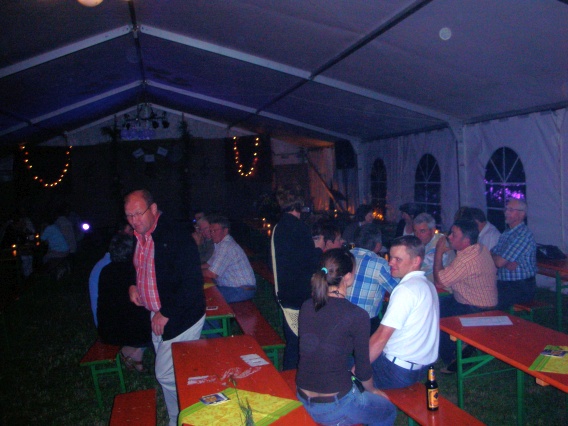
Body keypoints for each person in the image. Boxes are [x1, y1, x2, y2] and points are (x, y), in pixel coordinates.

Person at [125, 189, 205, 426]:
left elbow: (192, 284)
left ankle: (189, 413)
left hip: (181, 315)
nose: (133, 220)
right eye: (129, 216)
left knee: (166, 373)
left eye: (138, 214)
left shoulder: (176, 236)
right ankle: (176, 418)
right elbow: (137, 266)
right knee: (174, 371)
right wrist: (133, 285)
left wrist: (166, 312)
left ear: (153, 209)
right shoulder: (139, 234)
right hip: (158, 313)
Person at [296, 248, 396, 426]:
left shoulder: (307, 306)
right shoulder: (357, 315)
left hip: (303, 397)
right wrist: (373, 390)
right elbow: (363, 369)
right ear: (348, 277)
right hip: (335, 405)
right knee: (388, 411)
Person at [369, 236, 439, 389]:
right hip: (421, 370)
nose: (390, 263)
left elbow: (381, 337)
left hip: (395, 371)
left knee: (342, 368)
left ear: (416, 261)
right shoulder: (428, 285)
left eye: (397, 259)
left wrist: (357, 370)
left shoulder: (406, 289)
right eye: (391, 257)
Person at [433, 219, 497, 373]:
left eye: (454, 235)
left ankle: (453, 359)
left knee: (436, 317)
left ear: (466, 241)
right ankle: (462, 346)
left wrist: (438, 252)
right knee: (434, 305)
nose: (449, 237)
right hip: (474, 301)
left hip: (475, 308)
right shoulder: (479, 247)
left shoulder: (466, 260)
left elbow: (439, 281)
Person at [272, 189, 324, 370]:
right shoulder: (300, 228)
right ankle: (300, 376)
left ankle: (288, 377)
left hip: (285, 290)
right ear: (300, 206)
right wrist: (318, 249)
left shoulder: (279, 227)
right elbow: (309, 263)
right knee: (301, 343)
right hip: (300, 294)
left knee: (293, 342)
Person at [97, 232, 151, 373]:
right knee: (161, 328)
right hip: (126, 329)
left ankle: (135, 357)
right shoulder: (134, 271)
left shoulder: (106, 270)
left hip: (108, 329)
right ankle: (129, 352)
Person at [346, 223, 398, 334]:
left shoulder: (343, 256)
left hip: (339, 319)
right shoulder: (380, 264)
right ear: (378, 245)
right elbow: (398, 290)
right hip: (365, 324)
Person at [491, 198, 537, 310]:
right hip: (506, 283)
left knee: (488, 305)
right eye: (506, 209)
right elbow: (491, 253)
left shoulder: (523, 235)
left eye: (511, 210)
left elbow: (498, 262)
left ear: (522, 214)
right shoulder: (507, 232)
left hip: (520, 286)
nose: (506, 212)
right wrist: (503, 261)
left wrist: (500, 259)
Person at [202, 215, 256, 303]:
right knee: (203, 292)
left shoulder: (226, 245)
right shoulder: (219, 244)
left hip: (242, 290)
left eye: (215, 230)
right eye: (211, 231)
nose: (212, 233)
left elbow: (212, 274)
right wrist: (193, 268)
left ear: (225, 231)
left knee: (206, 297)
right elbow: (209, 264)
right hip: (233, 288)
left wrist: (194, 272)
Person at [89, 222, 133, 327]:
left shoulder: (120, 263)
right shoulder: (108, 267)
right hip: (110, 327)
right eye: (131, 230)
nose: (134, 234)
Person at [413, 212, 454, 282]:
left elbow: (418, 270)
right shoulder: (422, 242)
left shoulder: (442, 243)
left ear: (432, 231)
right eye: (415, 231)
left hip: (441, 287)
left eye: (422, 231)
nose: (417, 235)